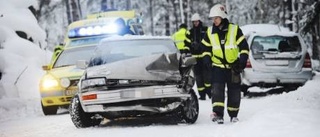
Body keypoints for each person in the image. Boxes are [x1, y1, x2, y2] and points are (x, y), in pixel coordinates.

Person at [201, 4, 249, 124]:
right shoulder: (210, 31)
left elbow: (244, 47)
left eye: (216, 18)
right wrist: (206, 59)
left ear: (222, 17)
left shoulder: (235, 30)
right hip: (217, 67)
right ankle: (218, 114)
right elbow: (205, 48)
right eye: (213, 19)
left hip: (233, 67)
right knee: (217, 90)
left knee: (234, 91)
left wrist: (242, 61)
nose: (214, 21)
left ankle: (233, 115)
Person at [184, 13, 211, 100]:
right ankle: (202, 95)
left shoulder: (206, 30)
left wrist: (201, 46)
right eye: (194, 22)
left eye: (196, 21)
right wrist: (189, 48)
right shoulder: (190, 32)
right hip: (195, 59)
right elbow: (186, 44)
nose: (195, 23)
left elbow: (210, 42)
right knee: (198, 77)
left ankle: (210, 93)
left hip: (205, 57)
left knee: (207, 76)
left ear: (199, 21)